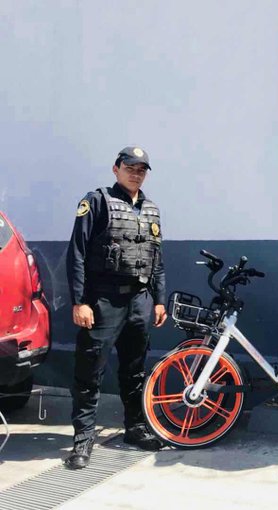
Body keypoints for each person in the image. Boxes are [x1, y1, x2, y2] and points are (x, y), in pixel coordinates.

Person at [64, 146, 167, 469]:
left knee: (134, 369)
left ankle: (134, 428)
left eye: (141, 169)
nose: (135, 173)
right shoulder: (96, 202)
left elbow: (156, 258)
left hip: (139, 300)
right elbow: (76, 253)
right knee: (90, 370)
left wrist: (159, 299)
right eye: (130, 167)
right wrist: (80, 301)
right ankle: (83, 440)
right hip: (104, 300)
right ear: (116, 168)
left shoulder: (151, 209)